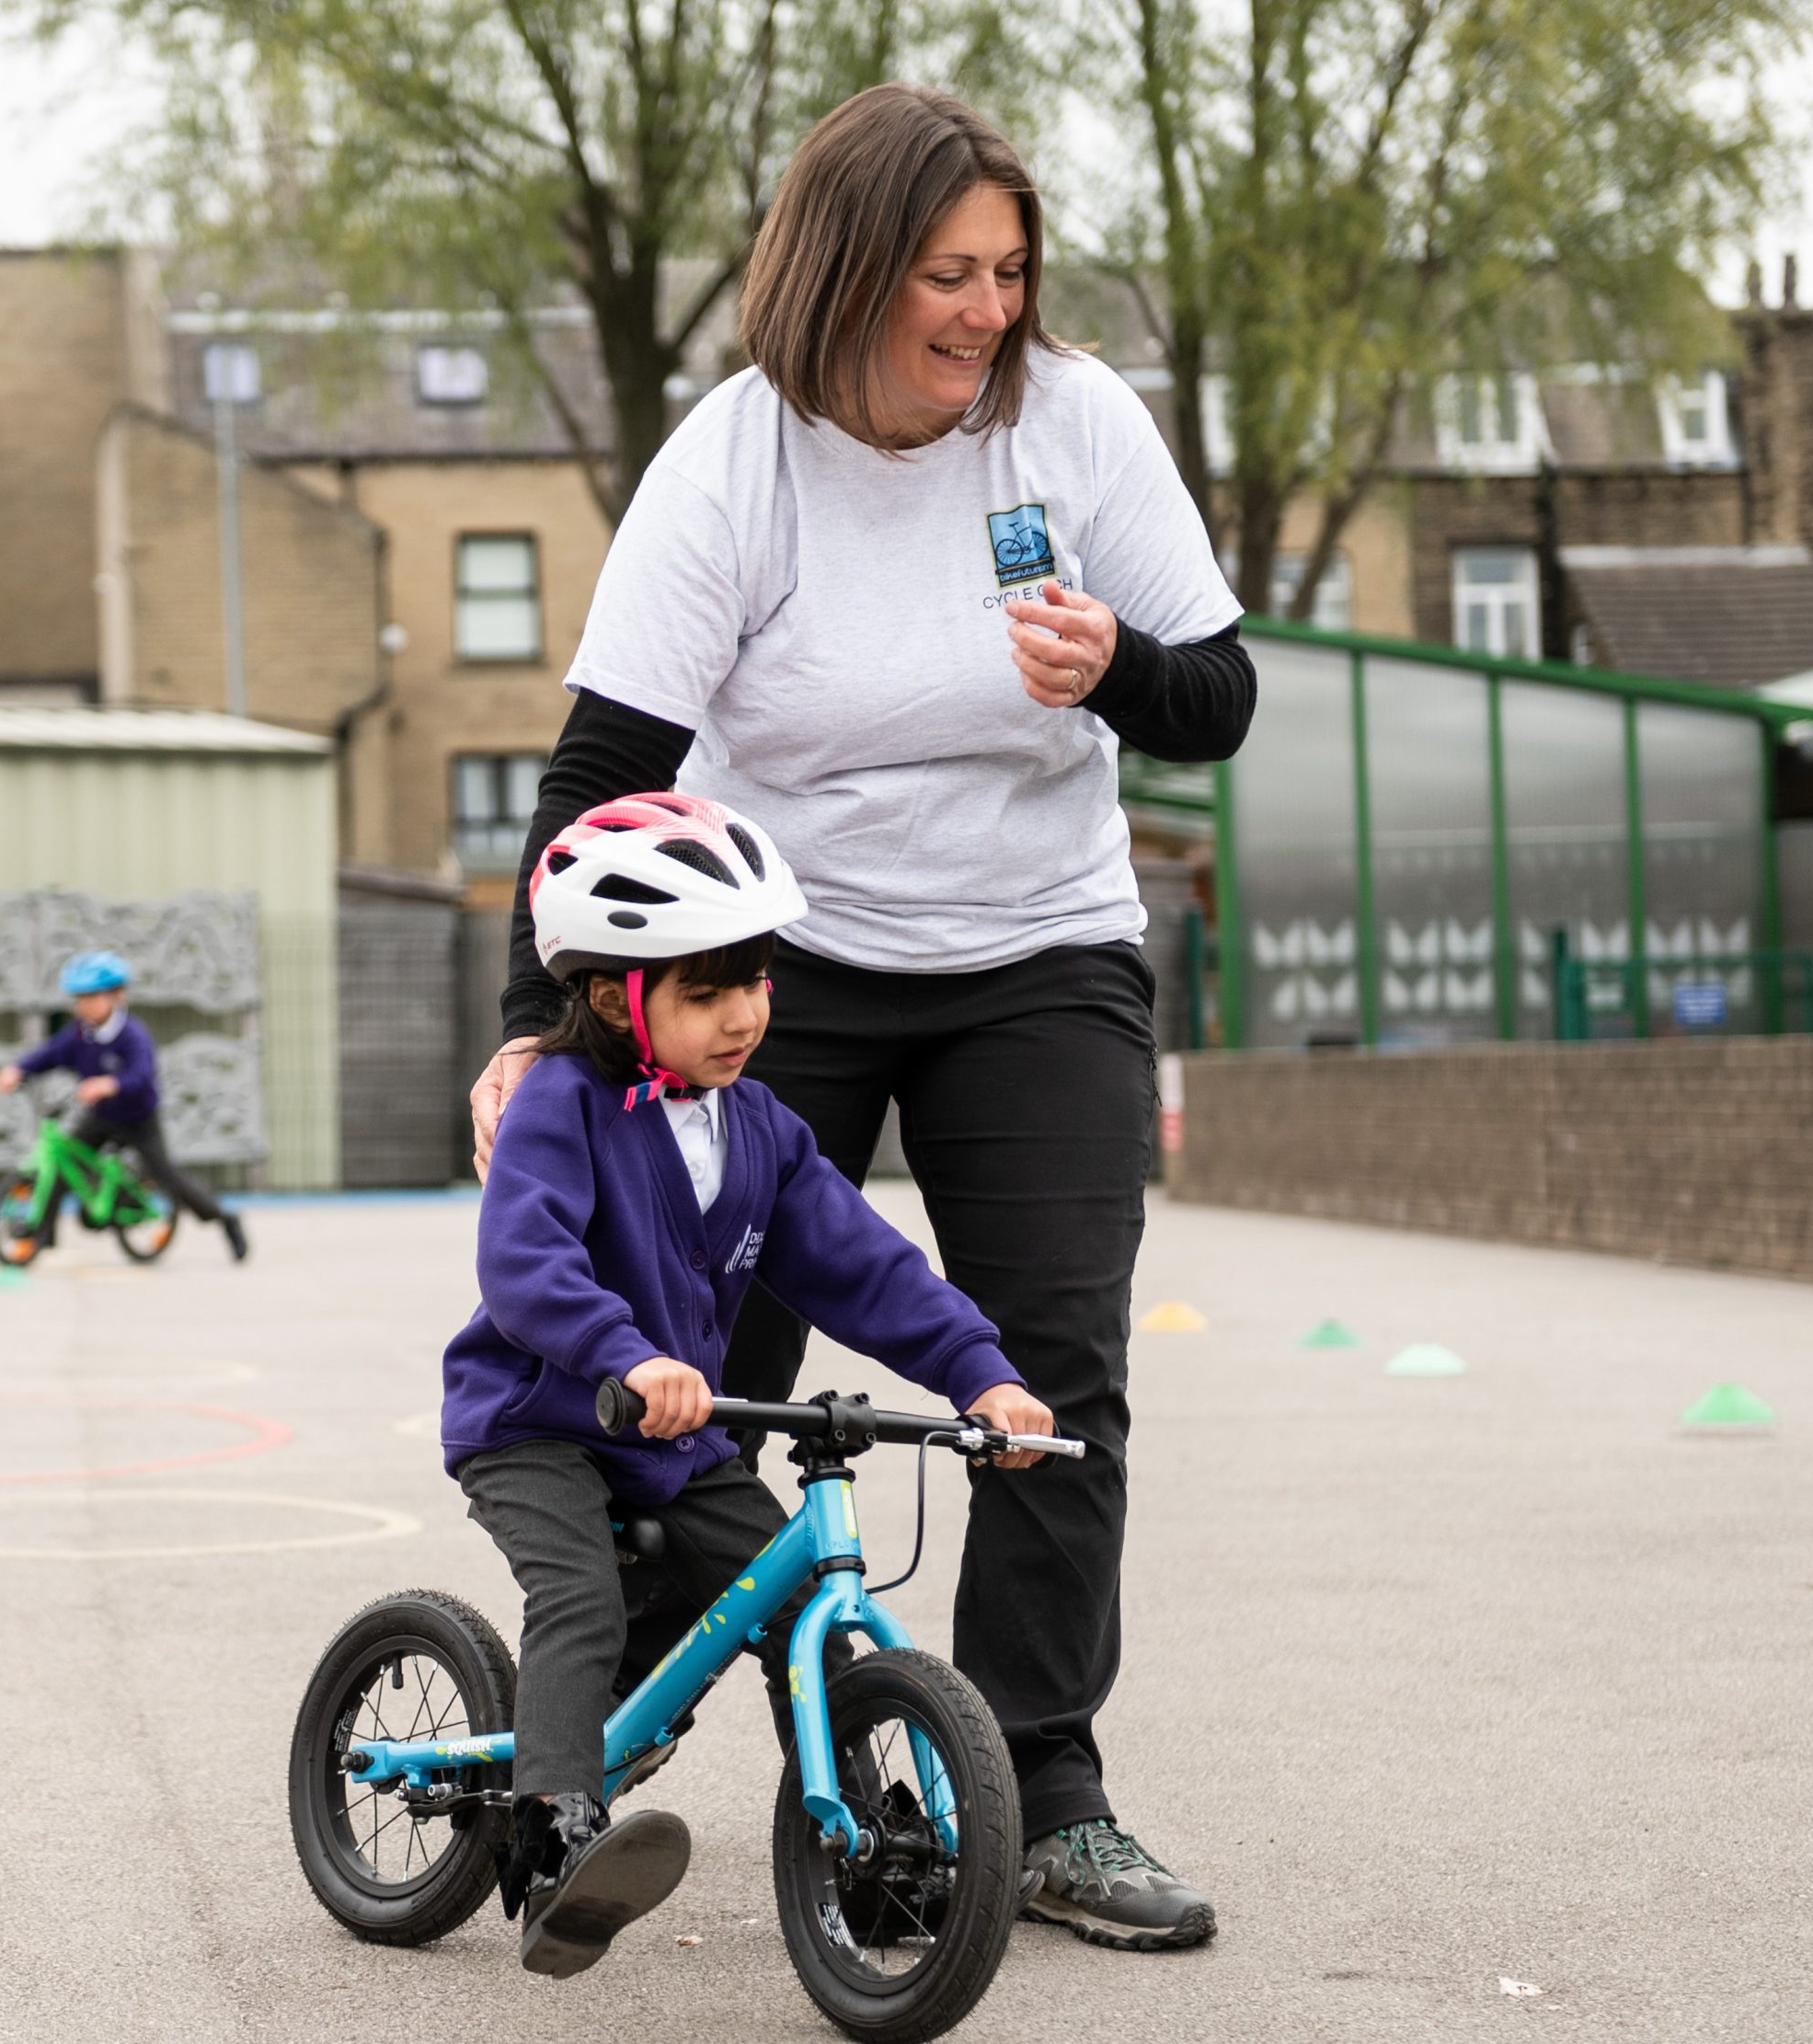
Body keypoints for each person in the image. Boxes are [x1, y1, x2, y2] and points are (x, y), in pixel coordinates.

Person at [469, 84, 1248, 1950]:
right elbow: (602, 766)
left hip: (1038, 955)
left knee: (1044, 1380)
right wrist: (530, 1026)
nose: (983, 314)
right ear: (839, 274)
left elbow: (1214, 696)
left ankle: (1043, 1794)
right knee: (670, 1365)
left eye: (1007, 272)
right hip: (773, 969)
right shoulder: (735, 462)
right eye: (941, 277)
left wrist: (1118, 671)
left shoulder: (1075, 426)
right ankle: (604, 1720)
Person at [445, 793, 1052, 1979]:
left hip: (673, 1435)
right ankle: (554, 1840)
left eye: (757, 982)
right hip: (540, 1419)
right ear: (621, 994)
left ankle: (871, 1852)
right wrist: (627, 1354)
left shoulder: (759, 1128)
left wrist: (983, 1372)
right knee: (580, 1600)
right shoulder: (558, 1105)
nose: (744, 1016)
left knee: (800, 1611)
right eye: (705, 991)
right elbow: (524, 1266)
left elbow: (861, 1265)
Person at [0, 950, 248, 1261]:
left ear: (117, 996)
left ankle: (225, 1220)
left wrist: (109, 1084)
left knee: (169, 1178)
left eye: (91, 997)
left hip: (138, 1120)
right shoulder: (79, 1035)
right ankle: (41, 1235)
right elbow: (48, 1054)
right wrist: (17, 1070)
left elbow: (141, 1075)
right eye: (79, 998)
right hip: (101, 1118)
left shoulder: (133, 1035)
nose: (83, 1005)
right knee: (64, 1162)